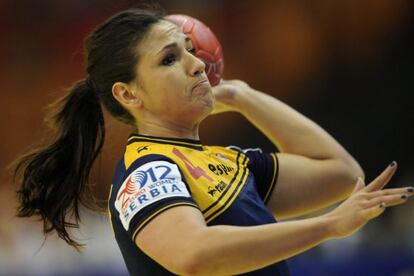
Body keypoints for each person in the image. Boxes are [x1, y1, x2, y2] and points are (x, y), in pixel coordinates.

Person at [13, 9, 413, 276]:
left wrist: (243, 96)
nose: (197, 64)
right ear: (128, 95)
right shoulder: (148, 170)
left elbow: (341, 175)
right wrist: (326, 227)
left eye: (191, 51)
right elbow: (193, 253)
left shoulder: (230, 164)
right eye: (170, 59)